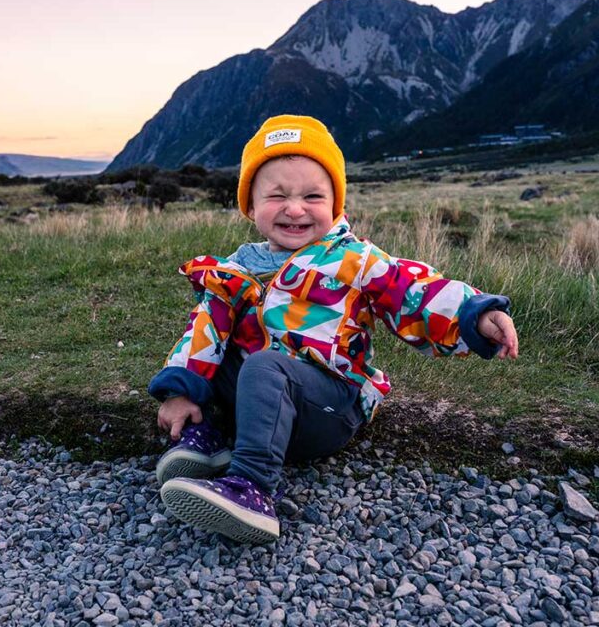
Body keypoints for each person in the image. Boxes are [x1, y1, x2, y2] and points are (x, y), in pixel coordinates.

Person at [147, 114, 519, 544]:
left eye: (312, 195)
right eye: (276, 195)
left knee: (266, 367)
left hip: (327, 405)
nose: (294, 208)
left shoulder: (354, 260)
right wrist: (180, 391)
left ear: (336, 205)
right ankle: (211, 439)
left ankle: (251, 487)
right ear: (250, 205)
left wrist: (474, 315)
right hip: (262, 399)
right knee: (223, 350)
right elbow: (204, 334)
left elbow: (414, 291)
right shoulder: (234, 270)